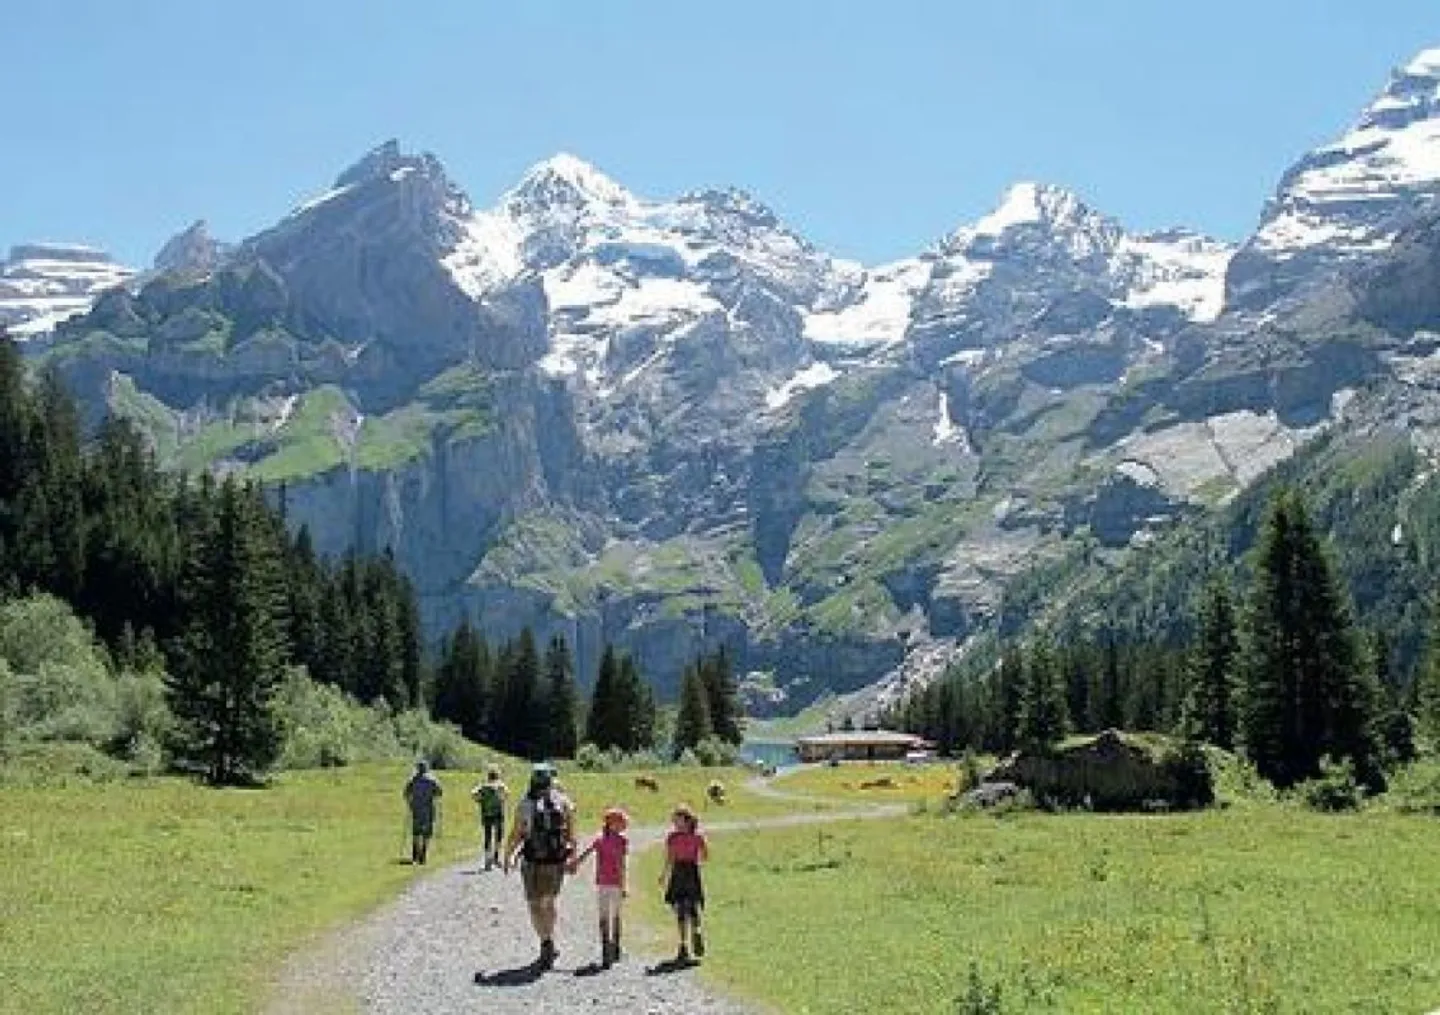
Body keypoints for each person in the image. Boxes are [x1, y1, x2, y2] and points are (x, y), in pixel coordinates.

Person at [503, 762, 575, 970]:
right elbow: (571, 835)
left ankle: (546, 941)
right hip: (555, 861)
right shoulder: (564, 802)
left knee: (534, 904)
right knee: (549, 902)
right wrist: (573, 857)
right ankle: (549, 939)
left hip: (532, 860)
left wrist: (508, 855)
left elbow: (516, 834)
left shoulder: (525, 804)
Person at [569, 807, 629, 969]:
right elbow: (621, 864)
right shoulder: (616, 841)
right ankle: (611, 947)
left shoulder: (605, 840)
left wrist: (575, 864)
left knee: (608, 915)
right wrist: (624, 884)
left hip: (606, 881)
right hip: (611, 882)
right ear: (611, 824)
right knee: (612, 915)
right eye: (620, 823)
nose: (623, 826)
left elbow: (586, 854)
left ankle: (609, 947)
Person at [658, 803, 709, 964]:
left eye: (678, 820)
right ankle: (686, 942)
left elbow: (704, 855)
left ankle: (692, 936)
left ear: (687, 821)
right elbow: (670, 858)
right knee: (682, 909)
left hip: (685, 872)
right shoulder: (678, 837)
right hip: (685, 872)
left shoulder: (690, 837)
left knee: (690, 908)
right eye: (674, 820)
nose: (675, 823)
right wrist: (664, 875)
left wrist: (697, 860)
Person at [402, 760, 443, 865]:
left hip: (416, 809)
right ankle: (423, 856)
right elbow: (439, 793)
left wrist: (410, 803)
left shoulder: (413, 780)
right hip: (428, 809)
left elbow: (406, 793)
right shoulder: (432, 780)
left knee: (416, 833)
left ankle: (415, 856)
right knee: (426, 834)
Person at [471, 766, 508, 870]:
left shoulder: (483, 786)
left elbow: (473, 793)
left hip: (486, 814)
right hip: (498, 814)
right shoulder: (500, 785)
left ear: (488, 776)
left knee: (488, 837)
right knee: (499, 836)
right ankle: (496, 857)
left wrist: (480, 801)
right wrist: (501, 800)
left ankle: (487, 860)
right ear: (497, 776)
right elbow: (507, 794)